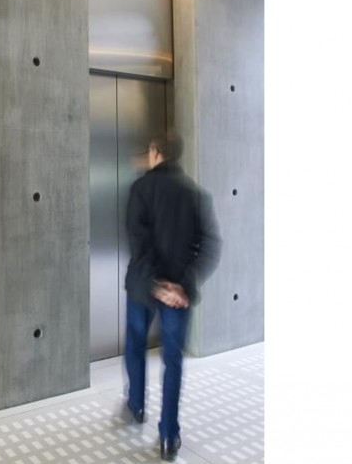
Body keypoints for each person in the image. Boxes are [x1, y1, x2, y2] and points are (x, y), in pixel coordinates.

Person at [122, 132, 222, 461]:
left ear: (155, 151)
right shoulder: (196, 194)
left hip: (143, 287)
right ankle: (168, 435)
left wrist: (156, 283)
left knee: (135, 344)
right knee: (173, 360)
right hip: (180, 293)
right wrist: (181, 285)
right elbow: (210, 245)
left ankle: (136, 405)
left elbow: (139, 243)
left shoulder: (141, 188)